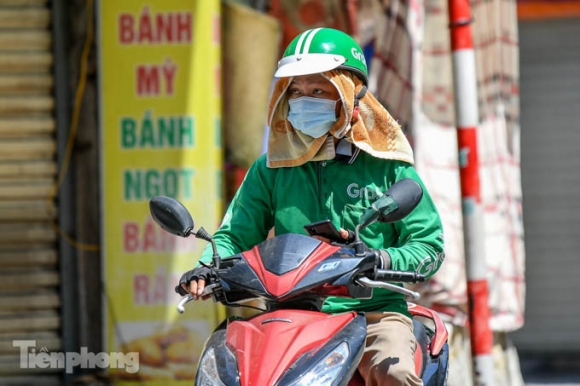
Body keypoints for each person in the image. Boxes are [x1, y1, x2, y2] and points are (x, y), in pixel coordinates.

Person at [177, 27, 445, 386]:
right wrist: (204, 270)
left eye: (318, 90)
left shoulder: (389, 167)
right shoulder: (270, 168)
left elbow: (429, 246)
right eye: (297, 92)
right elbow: (234, 235)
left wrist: (382, 259)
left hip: (372, 314)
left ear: (349, 95)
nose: (305, 100)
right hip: (288, 314)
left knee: (392, 372)